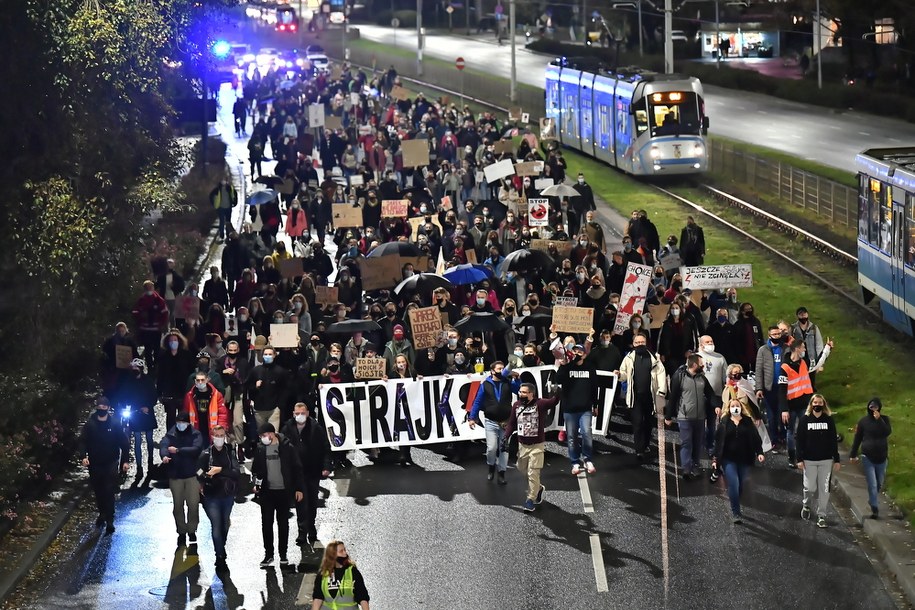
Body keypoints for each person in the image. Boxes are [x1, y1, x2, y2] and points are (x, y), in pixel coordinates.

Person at [281, 402, 332, 558]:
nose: (300, 416)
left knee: (312, 502)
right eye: (297, 413)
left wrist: (326, 466)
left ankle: (311, 527)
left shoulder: (316, 428)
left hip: (312, 471)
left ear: (308, 413)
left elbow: (325, 448)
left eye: (302, 412)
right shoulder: (287, 428)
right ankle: (303, 531)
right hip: (297, 474)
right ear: (293, 413)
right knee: (300, 502)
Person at [252, 423, 305, 568]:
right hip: (267, 493)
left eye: (264, 435)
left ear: (272, 434)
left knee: (283, 524)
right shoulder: (261, 449)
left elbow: (297, 469)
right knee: (267, 525)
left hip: (283, 492)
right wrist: (256, 484)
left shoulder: (287, 448)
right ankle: (269, 554)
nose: (263, 438)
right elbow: (256, 470)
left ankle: (283, 554)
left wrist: (299, 489)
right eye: (261, 436)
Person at [503, 382, 560, 512]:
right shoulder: (516, 405)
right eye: (520, 392)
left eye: (524, 392)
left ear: (531, 394)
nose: (520, 394)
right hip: (522, 445)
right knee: (521, 468)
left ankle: (530, 499)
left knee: (532, 472)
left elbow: (553, 402)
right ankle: (538, 488)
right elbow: (512, 423)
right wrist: (505, 437)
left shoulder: (540, 404)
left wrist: (557, 392)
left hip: (537, 445)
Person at [78, 397, 130, 534]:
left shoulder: (114, 424)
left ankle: (110, 519)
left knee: (109, 490)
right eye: (99, 406)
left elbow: (124, 443)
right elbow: (82, 441)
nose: (102, 408)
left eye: (104, 406)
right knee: (99, 490)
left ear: (108, 408)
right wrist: (83, 457)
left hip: (111, 462)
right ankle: (102, 512)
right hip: (95, 463)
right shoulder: (90, 424)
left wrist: (125, 461)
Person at [664, 353, 720, 480]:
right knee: (686, 443)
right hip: (685, 417)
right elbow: (673, 398)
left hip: (700, 417)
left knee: (698, 443)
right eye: (701, 363)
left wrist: (716, 405)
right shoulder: (680, 377)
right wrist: (668, 416)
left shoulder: (702, 378)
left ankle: (695, 465)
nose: (703, 365)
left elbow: (710, 394)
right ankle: (686, 468)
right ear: (694, 364)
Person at [712, 398, 765, 523]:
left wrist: (760, 452)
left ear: (741, 408)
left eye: (737, 405)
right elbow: (718, 443)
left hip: (745, 458)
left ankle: (735, 496)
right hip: (728, 459)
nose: (735, 408)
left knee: (740, 484)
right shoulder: (724, 423)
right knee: (734, 483)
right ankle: (736, 512)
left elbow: (755, 438)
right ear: (729, 409)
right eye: (733, 406)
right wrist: (715, 459)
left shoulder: (747, 422)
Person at [468, 361, 521, 484]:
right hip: (491, 422)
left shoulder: (507, 382)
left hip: (506, 422)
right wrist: (472, 417)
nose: (502, 371)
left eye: (503, 368)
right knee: (491, 448)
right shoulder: (485, 384)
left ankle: (501, 472)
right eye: (499, 369)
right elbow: (477, 402)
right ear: (492, 371)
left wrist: (517, 379)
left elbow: (519, 390)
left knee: (504, 448)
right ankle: (491, 465)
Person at [618, 332, 668, 462]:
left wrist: (661, 392)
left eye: (642, 342)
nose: (640, 344)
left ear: (646, 343)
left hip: (650, 396)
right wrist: (618, 375)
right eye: (637, 342)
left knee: (648, 423)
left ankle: (645, 445)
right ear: (633, 344)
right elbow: (623, 373)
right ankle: (639, 449)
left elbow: (661, 374)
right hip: (635, 397)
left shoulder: (654, 358)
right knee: (638, 422)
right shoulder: (629, 358)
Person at [197, 425, 240, 571]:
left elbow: (236, 472)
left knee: (225, 525)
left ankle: (221, 545)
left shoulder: (230, 452)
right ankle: (220, 556)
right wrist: (207, 476)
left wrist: (220, 470)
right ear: (212, 436)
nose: (220, 438)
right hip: (211, 496)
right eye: (217, 435)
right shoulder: (205, 454)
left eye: (222, 435)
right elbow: (197, 471)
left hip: (227, 495)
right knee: (216, 525)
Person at [160, 411, 204, 548]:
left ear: (188, 423)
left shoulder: (196, 434)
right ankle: (181, 532)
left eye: (183, 423)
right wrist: (164, 456)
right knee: (178, 506)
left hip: (191, 475)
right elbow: (164, 445)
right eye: (178, 423)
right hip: (176, 476)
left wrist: (178, 450)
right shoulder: (171, 433)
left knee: (193, 505)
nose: (180, 425)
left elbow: (196, 449)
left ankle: (192, 530)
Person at [796, 394, 840, 528]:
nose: (817, 405)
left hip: (826, 460)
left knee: (824, 489)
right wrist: (799, 459)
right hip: (809, 460)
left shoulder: (828, 420)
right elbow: (799, 440)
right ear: (811, 404)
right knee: (810, 488)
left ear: (824, 405)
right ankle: (806, 504)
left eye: (820, 403)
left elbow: (833, 440)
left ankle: (821, 515)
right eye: (815, 402)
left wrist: (836, 459)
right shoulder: (805, 420)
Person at [555, 340, 599, 475]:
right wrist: (563, 365)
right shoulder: (567, 367)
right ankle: (574, 462)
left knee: (587, 433)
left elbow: (594, 387)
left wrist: (595, 405)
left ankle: (587, 459)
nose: (577, 353)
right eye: (574, 351)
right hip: (570, 409)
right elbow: (559, 380)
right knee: (572, 437)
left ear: (584, 355)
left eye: (580, 351)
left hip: (585, 408)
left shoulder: (590, 368)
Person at [850, 397, 892, 519]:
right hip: (867, 456)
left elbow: (887, 432)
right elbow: (857, 438)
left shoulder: (885, 420)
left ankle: (872, 499)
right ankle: (874, 507)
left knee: (879, 482)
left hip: (882, 456)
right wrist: (853, 454)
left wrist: (879, 420)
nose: (873, 409)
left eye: (876, 407)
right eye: (871, 407)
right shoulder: (863, 422)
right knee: (872, 484)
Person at [311, 541, 371, 610]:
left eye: (345, 550)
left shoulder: (352, 572)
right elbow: (318, 598)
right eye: (341, 551)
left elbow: (362, 596)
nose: (345, 553)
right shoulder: (323, 574)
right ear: (332, 555)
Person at [184, 370, 230, 447]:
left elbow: (222, 414)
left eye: (202, 380)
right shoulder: (190, 396)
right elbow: (185, 413)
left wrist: (221, 428)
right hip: (196, 429)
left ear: (207, 380)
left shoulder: (216, 395)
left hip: (211, 429)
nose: (200, 382)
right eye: (198, 380)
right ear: (195, 381)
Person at [247, 346, 288, 431]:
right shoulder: (255, 370)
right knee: (262, 435)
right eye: (265, 354)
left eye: (270, 354)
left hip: (274, 409)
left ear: (274, 355)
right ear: (262, 356)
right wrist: (255, 387)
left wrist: (280, 405)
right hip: (259, 409)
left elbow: (285, 389)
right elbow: (248, 388)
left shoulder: (280, 371)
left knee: (274, 434)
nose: (267, 356)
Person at [209, 176, 238, 242]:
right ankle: (221, 234)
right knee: (221, 221)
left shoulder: (230, 188)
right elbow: (211, 196)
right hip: (220, 208)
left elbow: (235, 195)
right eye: (222, 180)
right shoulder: (217, 189)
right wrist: (213, 204)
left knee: (228, 222)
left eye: (224, 180)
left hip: (228, 207)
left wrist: (234, 203)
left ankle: (228, 235)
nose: (223, 182)